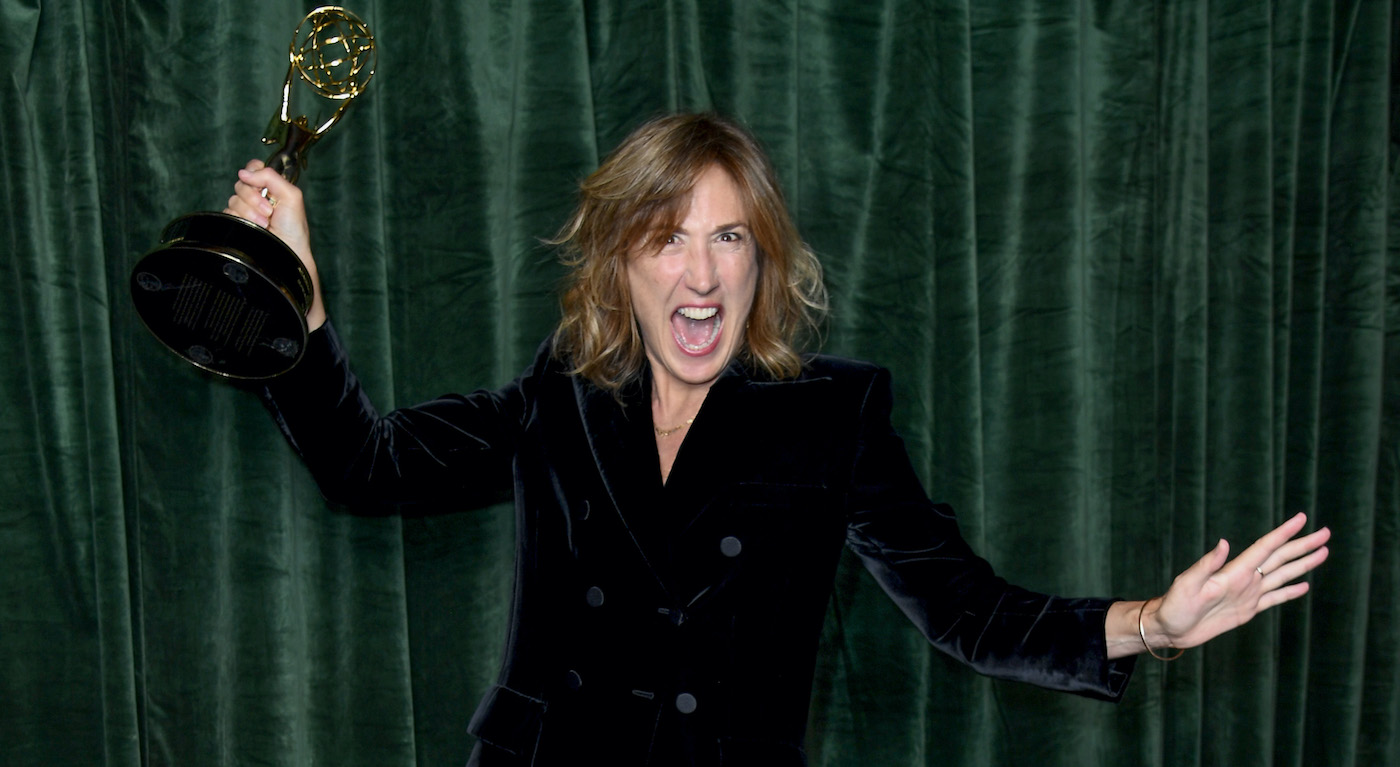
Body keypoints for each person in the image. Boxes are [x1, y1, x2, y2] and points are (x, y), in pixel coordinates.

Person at [225, 112, 1330, 766]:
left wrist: (1152, 623)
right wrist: (297, 298)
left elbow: (967, 610)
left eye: (730, 238)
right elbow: (366, 464)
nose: (701, 273)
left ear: (763, 260)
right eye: (668, 239)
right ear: (620, 262)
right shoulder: (564, 389)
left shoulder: (830, 415)